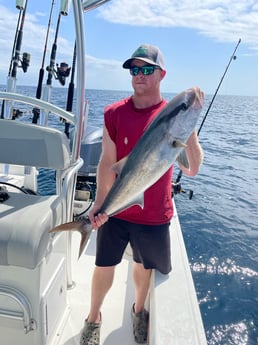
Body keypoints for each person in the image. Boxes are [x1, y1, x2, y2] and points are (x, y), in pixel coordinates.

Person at [80, 44, 204, 345]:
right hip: (117, 209)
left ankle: (138, 310)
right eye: (134, 69)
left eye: (147, 69)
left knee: (143, 266)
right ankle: (93, 318)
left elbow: (192, 170)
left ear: (161, 74)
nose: (139, 75)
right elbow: (108, 163)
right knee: (103, 265)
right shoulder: (113, 113)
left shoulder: (174, 115)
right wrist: (99, 205)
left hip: (153, 214)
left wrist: (188, 129)